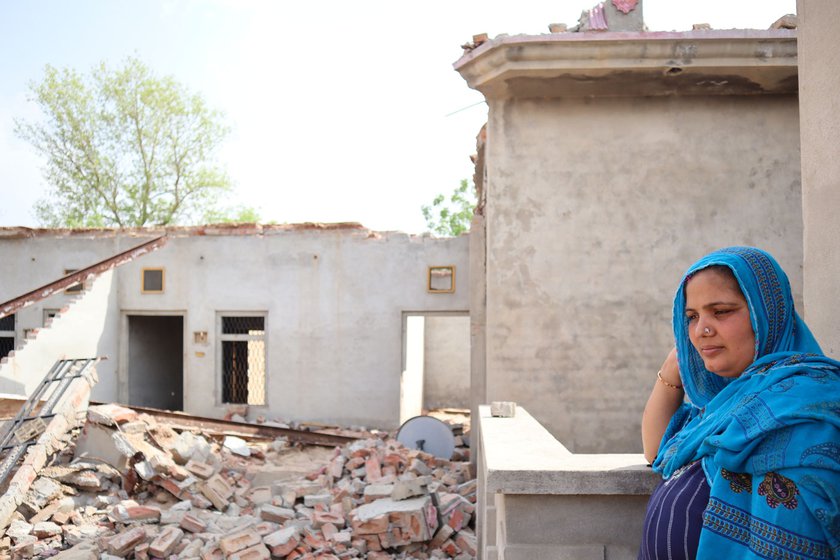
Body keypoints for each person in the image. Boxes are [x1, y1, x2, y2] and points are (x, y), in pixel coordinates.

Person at [638, 246, 840, 560]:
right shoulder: (725, 409)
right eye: (691, 317)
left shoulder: (805, 408)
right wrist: (672, 369)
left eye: (721, 311)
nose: (702, 329)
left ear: (764, 317)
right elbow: (660, 450)